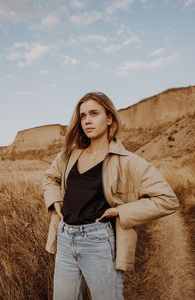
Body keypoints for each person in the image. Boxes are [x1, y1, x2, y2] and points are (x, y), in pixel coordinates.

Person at [42, 92, 179, 300]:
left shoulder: (129, 161)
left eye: (94, 114)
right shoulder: (70, 154)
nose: (87, 120)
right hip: (64, 238)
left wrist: (120, 211)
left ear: (109, 119)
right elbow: (50, 178)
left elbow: (167, 200)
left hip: (98, 242)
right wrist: (55, 200)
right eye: (83, 116)